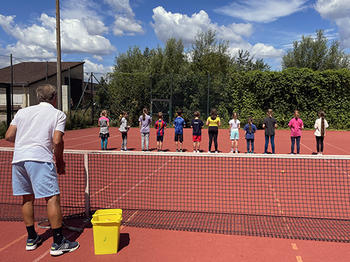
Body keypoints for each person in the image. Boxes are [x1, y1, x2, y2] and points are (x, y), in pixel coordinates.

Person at [5, 84, 79, 256]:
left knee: (27, 198)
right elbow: (57, 140)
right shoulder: (58, 114)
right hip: (40, 159)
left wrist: (26, 142)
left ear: (38, 97)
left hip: (19, 159)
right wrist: (60, 161)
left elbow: (8, 136)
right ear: (54, 98)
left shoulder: (22, 112)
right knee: (52, 197)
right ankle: (58, 242)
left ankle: (31, 238)